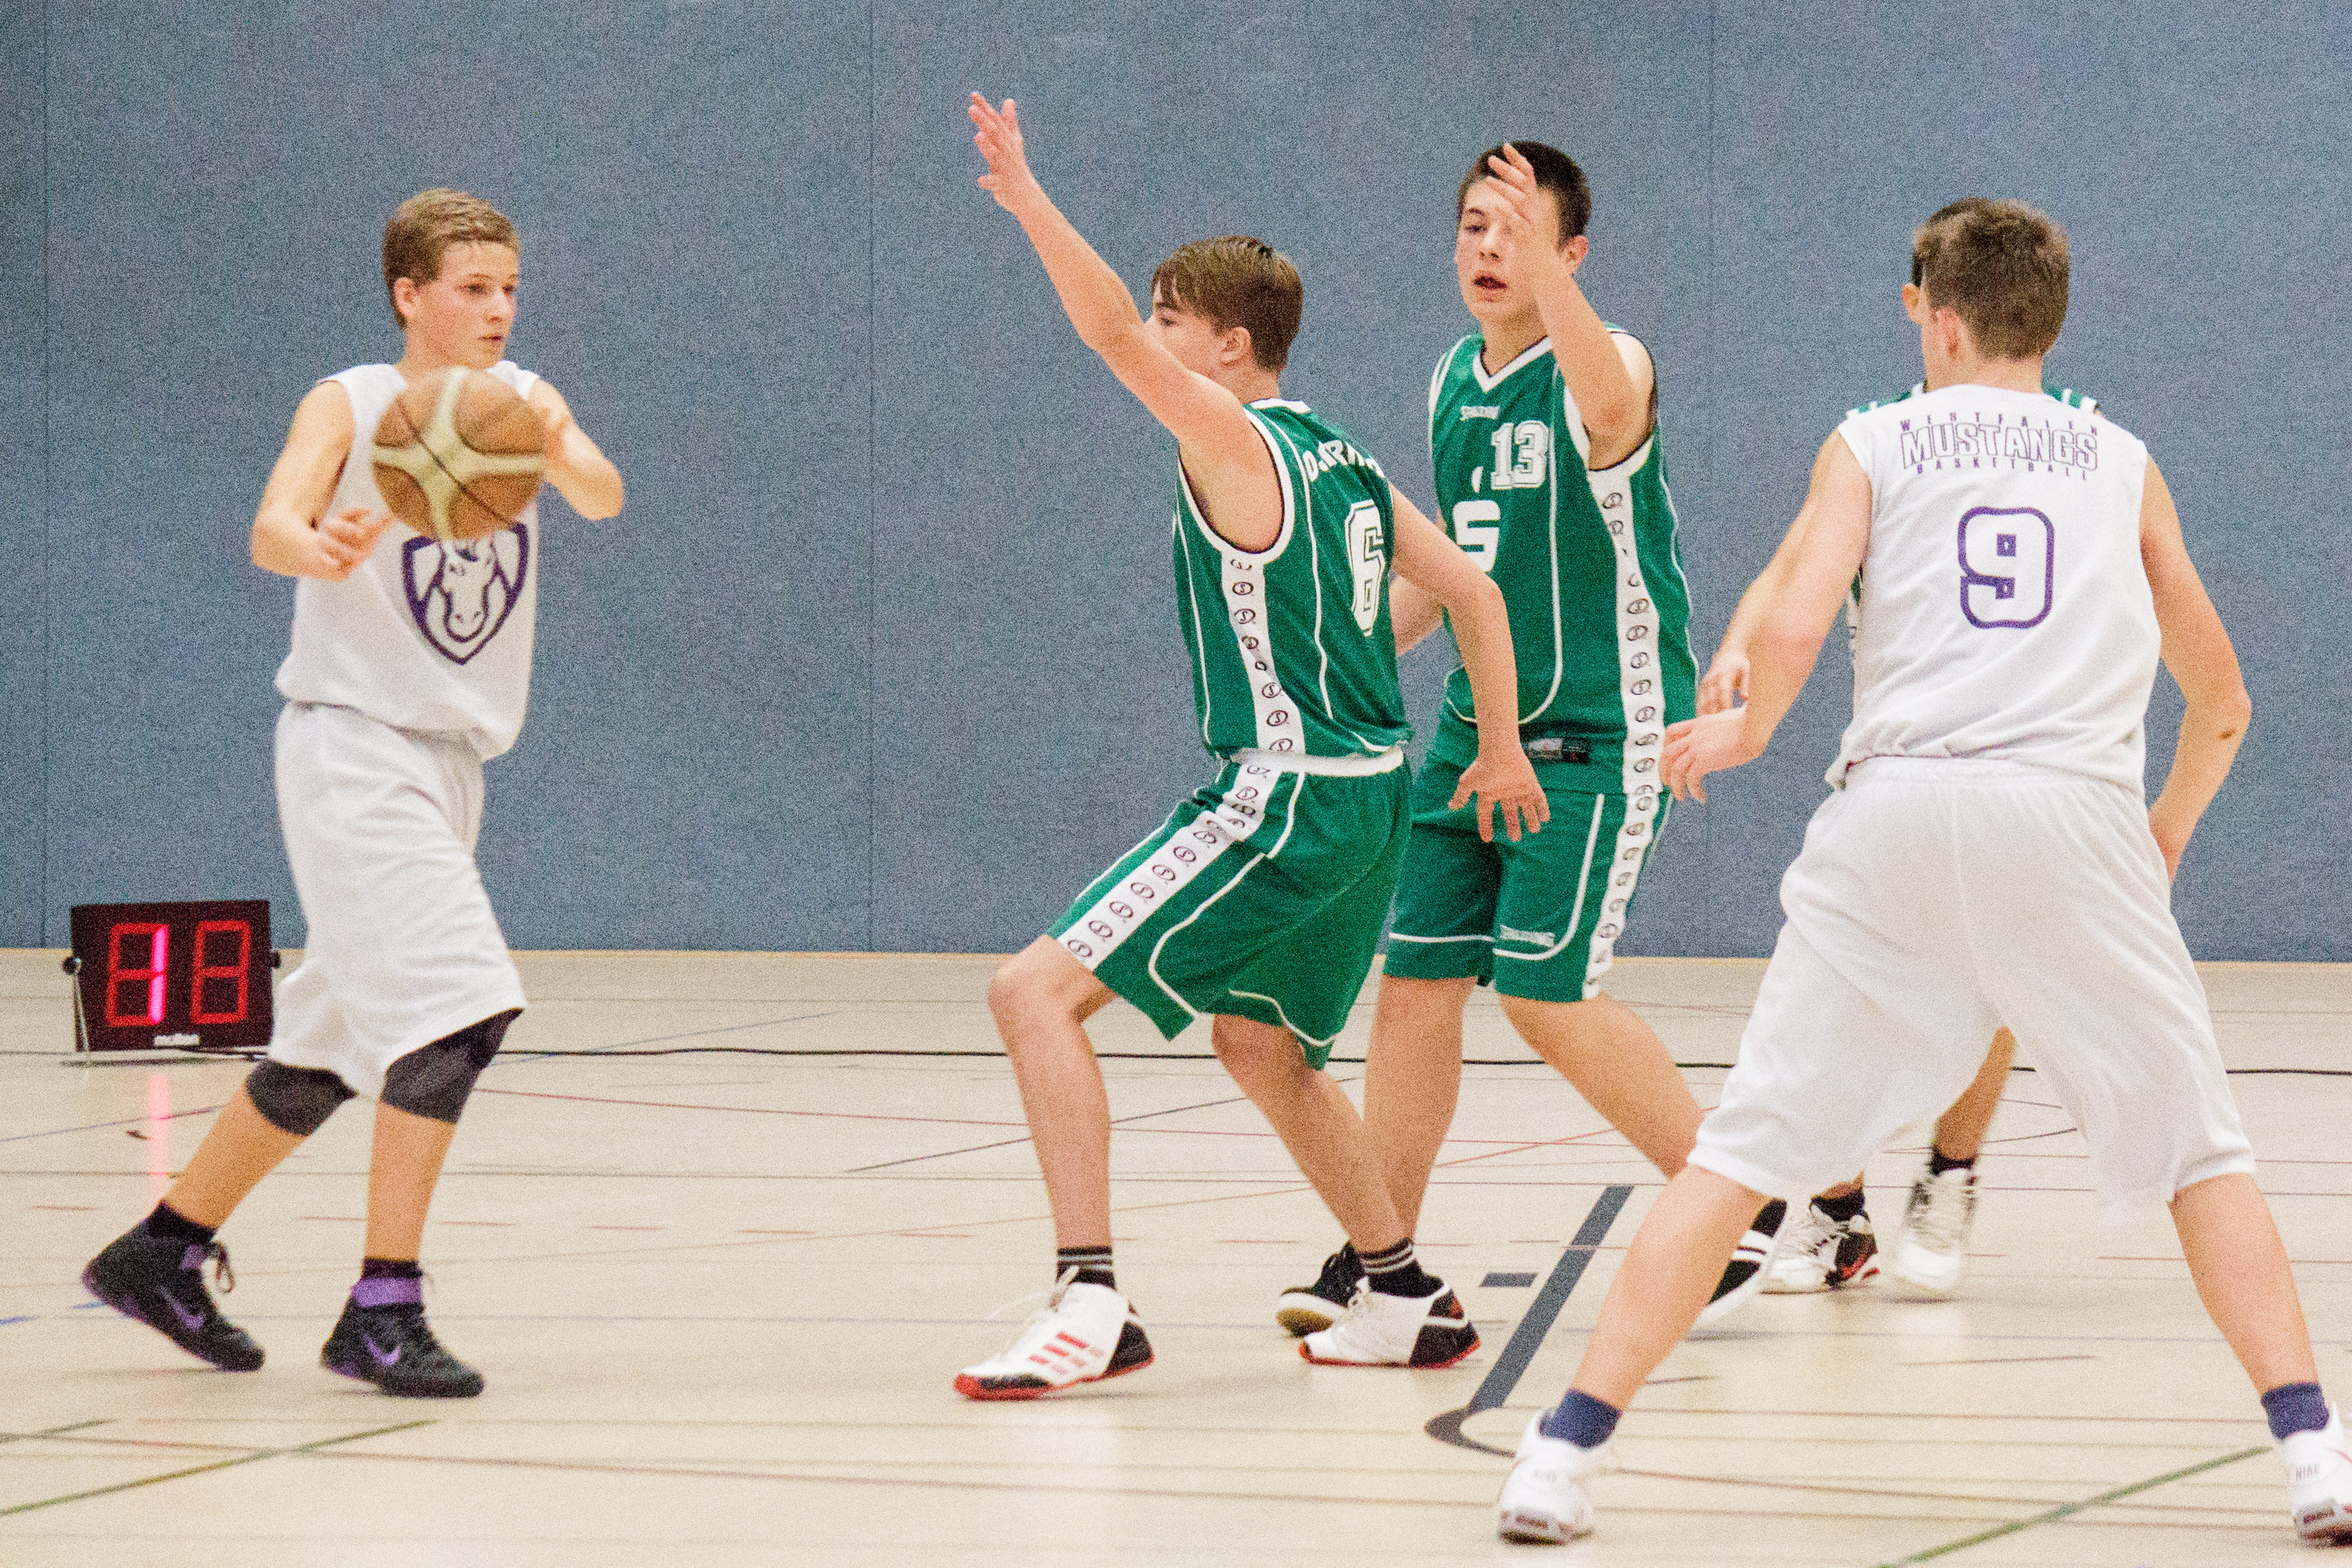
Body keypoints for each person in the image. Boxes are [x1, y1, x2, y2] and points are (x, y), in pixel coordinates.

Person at [1493, 198, 2352, 1546]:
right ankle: (2314, 1454)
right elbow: (2224, 698)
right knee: (2203, 1154)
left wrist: (1748, 730)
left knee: (1736, 1154)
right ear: (2047, 320)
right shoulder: (2122, 459)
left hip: (1894, 813)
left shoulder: (1873, 440)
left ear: (1939, 323)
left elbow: (1795, 617)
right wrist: (2169, 826)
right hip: (2072, 814)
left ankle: (1562, 1452)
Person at [954, 95, 1548, 1399]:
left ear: (1228, 347)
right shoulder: (1342, 455)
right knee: (1263, 1047)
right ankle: (1402, 1291)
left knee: (1030, 995)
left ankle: (1090, 1301)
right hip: (1373, 797)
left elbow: (1105, 333)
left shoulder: (1229, 436)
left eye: (1174, 321)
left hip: (1287, 799)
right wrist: (1496, 748)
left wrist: (1030, 199)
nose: (1154, 337)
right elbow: (1473, 591)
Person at [81, 189, 624, 1399]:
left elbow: (601, 492)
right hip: (353, 747)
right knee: (459, 1015)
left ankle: (160, 1250)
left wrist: (543, 438)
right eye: (473, 288)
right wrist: (311, 541)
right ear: (409, 295)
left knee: (323, 1050)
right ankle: (383, 1308)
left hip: (452, 764)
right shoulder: (352, 399)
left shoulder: (521, 403)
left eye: (510, 288)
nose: (498, 308)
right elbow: (273, 518)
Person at [1271, 143, 1762, 1334]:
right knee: (1415, 987)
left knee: (1546, 997)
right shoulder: (1453, 378)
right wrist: (1339, 660)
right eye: (1475, 226)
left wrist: (1549, 278)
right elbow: (1455, 571)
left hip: (1600, 728)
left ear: (1571, 251)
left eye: (1519, 228)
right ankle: (1382, 1253)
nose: (1490, 248)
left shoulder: (1611, 360)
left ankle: (1740, 1209)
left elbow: (1611, 407)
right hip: (1476, 728)